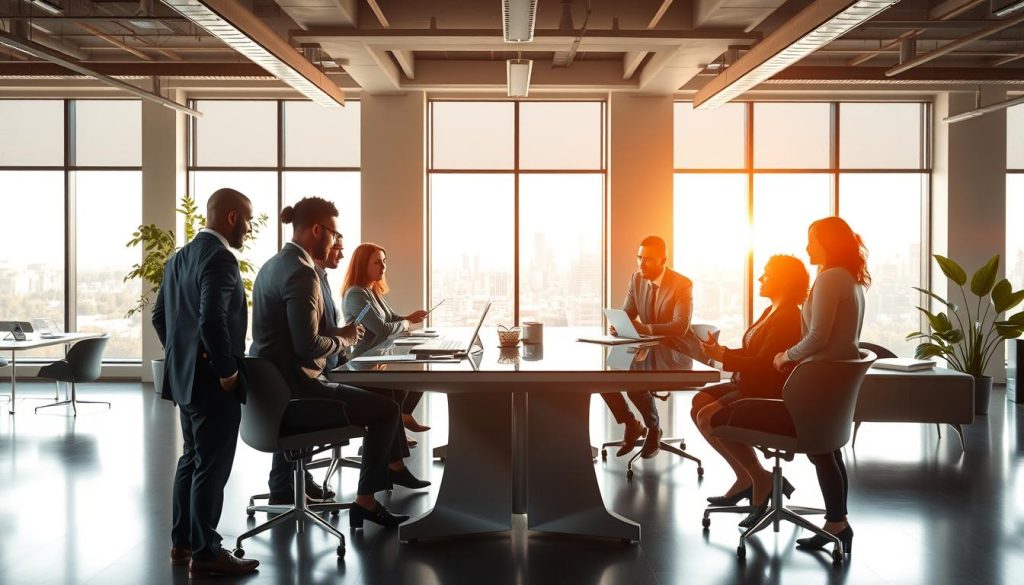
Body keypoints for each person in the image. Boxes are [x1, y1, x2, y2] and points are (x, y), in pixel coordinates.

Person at [249, 196, 427, 529]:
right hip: (299, 392)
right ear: (318, 230)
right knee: (387, 410)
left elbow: (294, 336)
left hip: (272, 394)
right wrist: (344, 338)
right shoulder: (302, 274)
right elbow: (307, 346)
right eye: (334, 233)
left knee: (383, 400)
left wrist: (337, 338)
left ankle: (289, 486)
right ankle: (366, 502)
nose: (335, 242)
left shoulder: (272, 266)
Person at [709, 217, 868, 551]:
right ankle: (838, 522)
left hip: (815, 381)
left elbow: (817, 336)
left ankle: (837, 523)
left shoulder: (829, 279)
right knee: (827, 452)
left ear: (828, 242)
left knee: (822, 453)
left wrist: (785, 356)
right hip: (828, 382)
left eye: (812, 240)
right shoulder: (851, 281)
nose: (807, 247)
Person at [152, 188, 260, 578]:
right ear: (231, 217)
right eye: (247, 219)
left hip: (184, 381)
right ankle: (207, 552)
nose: (249, 228)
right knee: (211, 466)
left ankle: (181, 544)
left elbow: (160, 317)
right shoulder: (220, 258)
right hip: (213, 385)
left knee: (192, 459)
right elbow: (211, 319)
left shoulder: (178, 259)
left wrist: (183, 357)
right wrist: (226, 370)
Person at [690, 255, 808, 518]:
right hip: (749, 382)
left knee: (707, 416)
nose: (760, 278)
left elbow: (766, 364)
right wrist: (721, 351)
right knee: (698, 403)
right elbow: (752, 351)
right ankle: (747, 477)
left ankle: (759, 478)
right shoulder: (772, 311)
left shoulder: (788, 316)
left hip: (764, 390)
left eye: (766, 273)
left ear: (784, 280)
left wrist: (725, 359)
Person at [601, 235, 703, 459]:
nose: (641, 263)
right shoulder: (636, 279)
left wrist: (644, 329)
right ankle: (631, 423)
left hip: (675, 352)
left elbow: (680, 326)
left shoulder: (681, 284)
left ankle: (654, 428)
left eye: (647, 259)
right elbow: (628, 313)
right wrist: (620, 325)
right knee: (602, 378)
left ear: (663, 260)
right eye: (639, 258)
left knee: (634, 382)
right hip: (646, 349)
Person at [341, 242, 431, 441]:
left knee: (420, 369)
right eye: (377, 263)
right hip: (362, 364)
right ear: (362, 265)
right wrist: (406, 324)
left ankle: (401, 420)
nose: (383, 267)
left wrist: (409, 317)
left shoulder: (372, 291)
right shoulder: (356, 294)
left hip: (377, 359)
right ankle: (397, 427)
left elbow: (390, 318)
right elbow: (381, 328)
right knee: (406, 378)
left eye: (384, 262)